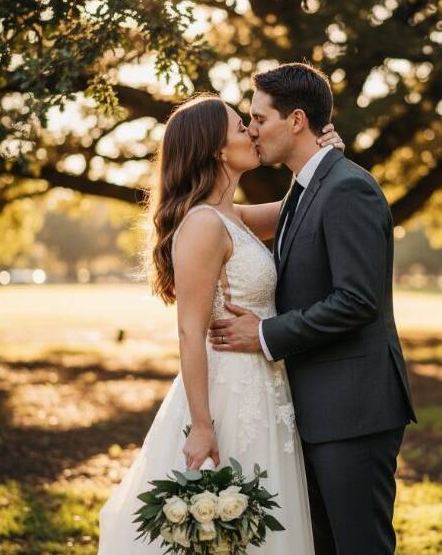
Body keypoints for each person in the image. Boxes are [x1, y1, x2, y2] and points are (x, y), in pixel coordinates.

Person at [97, 92, 344, 554]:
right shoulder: (204, 224)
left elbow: (298, 207)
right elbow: (189, 331)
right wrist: (202, 425)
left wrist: (323, 157)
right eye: (239, 127)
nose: (252, 131)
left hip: (264, 385)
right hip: (226, 391)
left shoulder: (234, 217)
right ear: (215, 149)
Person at [207, 63, 417, 555]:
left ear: (296, 120)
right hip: (316, 408)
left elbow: (357, 300)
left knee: (359, 546)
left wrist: (264, 334)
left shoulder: (348, 188)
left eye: (259, 118)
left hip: (355, 409)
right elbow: (221, 218)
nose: (252, 129)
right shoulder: (305, 189)